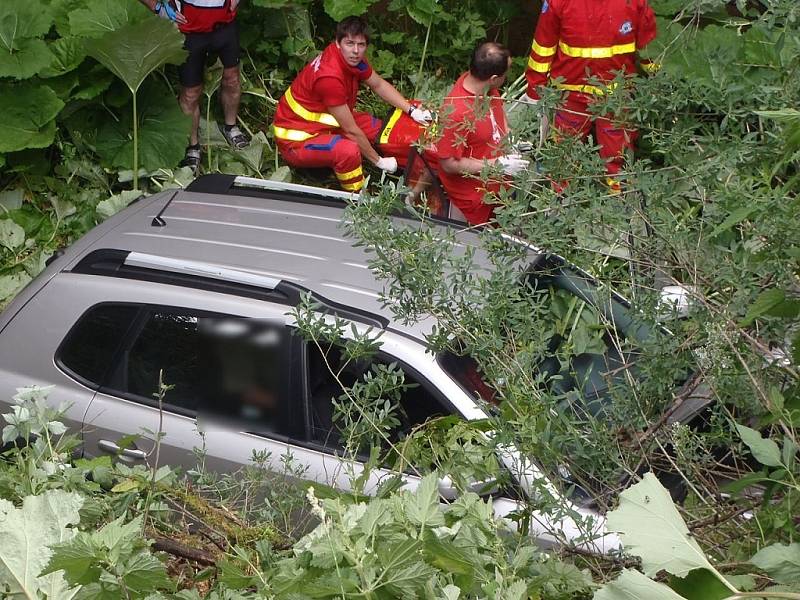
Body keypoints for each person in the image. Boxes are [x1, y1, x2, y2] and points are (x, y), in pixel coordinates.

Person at [272, 17, 432, 192]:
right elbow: (350, 130)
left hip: (325, 120)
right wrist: (378, 161)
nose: (356, 51)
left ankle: (406, 168)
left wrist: (411, 109)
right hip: (297, 139)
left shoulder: (351, 59)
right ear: (338, 43)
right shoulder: (329, 77)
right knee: (348, 151)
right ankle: (358, 196)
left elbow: (378, 84)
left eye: (361, 45)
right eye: (350, 43)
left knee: (380, 129)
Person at [522, 0, 658, 192]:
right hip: (598, 93)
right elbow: (649, 47)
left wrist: (535, 89)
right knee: (590, 154)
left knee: (572, 153)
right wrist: (661, 79)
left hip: (585, 92)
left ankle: (568, 203)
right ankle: (614, 202)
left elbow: (544, 45)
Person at [140, 0, 249, 171]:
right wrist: (158, 7)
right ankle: (193, 146)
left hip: (224, 25)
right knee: (191, 93)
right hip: (189, 32)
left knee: (232, 78)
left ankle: (231, 127)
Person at [431, 42, 528, 225]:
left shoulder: (484, 87)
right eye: (505, 74)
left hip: (499, 186)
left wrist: (511, 139)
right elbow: (449, 164)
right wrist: (497, 165)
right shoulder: (455, 113)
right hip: (474, 197)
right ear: (493, 78)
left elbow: (498, 114)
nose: (506, 78)